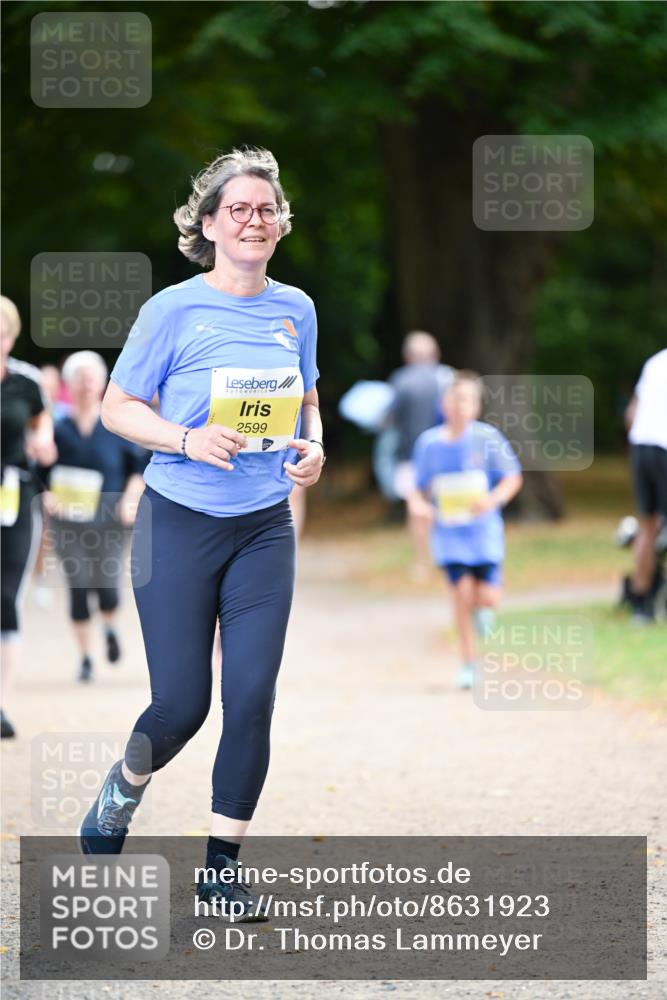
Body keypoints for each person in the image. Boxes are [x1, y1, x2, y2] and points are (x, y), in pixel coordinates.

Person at [80, 147, 324, 921]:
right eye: (239, 209)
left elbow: (306, 397)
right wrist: (185, 440)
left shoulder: (298, 309)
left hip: (261, 526)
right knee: (182, 703)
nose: (254, 220)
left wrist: (313, 446)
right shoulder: (171, 311)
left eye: (266, 209)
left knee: (250, 696)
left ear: (279, 225)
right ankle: (126, 784)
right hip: (177, 518)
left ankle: (221, 871)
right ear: (210, 224)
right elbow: (118, 407)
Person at [410, 371, 522, 689]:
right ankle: (469, 663)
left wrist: (492, 499)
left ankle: (484, 611)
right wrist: (419, 506)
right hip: (450, 536)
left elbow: (512, 478)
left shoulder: (488, 439)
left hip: (484, 535)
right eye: (455, 398)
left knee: (486, 597)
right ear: (443, 403)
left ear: (476, 405)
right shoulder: (429, 444)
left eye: (468, 399)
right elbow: (418, 489)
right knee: (460, 594)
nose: (461, 405)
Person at [43, 351, 147, 681]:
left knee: (107, 588)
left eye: (92, 378)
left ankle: (111, 629)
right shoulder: (57, 429)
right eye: (80, 378)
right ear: (69, 385)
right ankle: (86, 657)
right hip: (68, 521)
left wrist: (131, 497)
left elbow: (140, 468)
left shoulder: (117, 427)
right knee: (77, 586)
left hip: (110, 521)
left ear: (103, 384)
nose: (86, 384)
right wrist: (46, 495)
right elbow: (40, 470)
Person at [0, 295, 57, 738]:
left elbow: (41, 423)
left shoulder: (25, 380)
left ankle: (0, 704)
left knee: (5, 597)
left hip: (13, 494)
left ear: (11, 336)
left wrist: (44, 443)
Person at [387, 331, 453, 578]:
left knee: (416, 510)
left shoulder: (401, 380)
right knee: (445, 506)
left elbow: (390, 417)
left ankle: (421, 562)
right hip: (444, 455)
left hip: (410, 455)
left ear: (408, 356)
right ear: (435, 355)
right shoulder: (448, 378)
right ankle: (446, 558)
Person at [625, 348, 667, 623]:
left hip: (641, 446)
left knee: (647, 526)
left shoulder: (656, 360)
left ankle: (641, 605)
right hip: (664, 446)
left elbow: (631, 413)